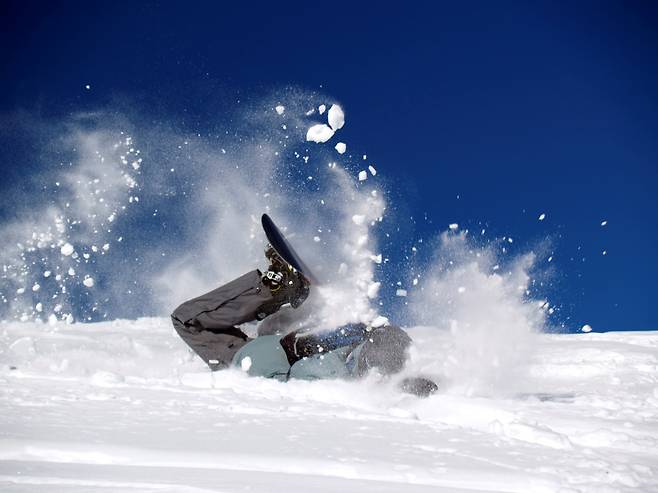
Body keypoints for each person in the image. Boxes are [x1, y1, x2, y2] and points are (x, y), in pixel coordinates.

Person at [171, 246, 437, 395]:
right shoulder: (364, 347)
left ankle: (280, 289)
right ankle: (284, 290)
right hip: (275, 354)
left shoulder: (264, 364)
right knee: (273, 328)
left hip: (266, 359)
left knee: (188, 320)